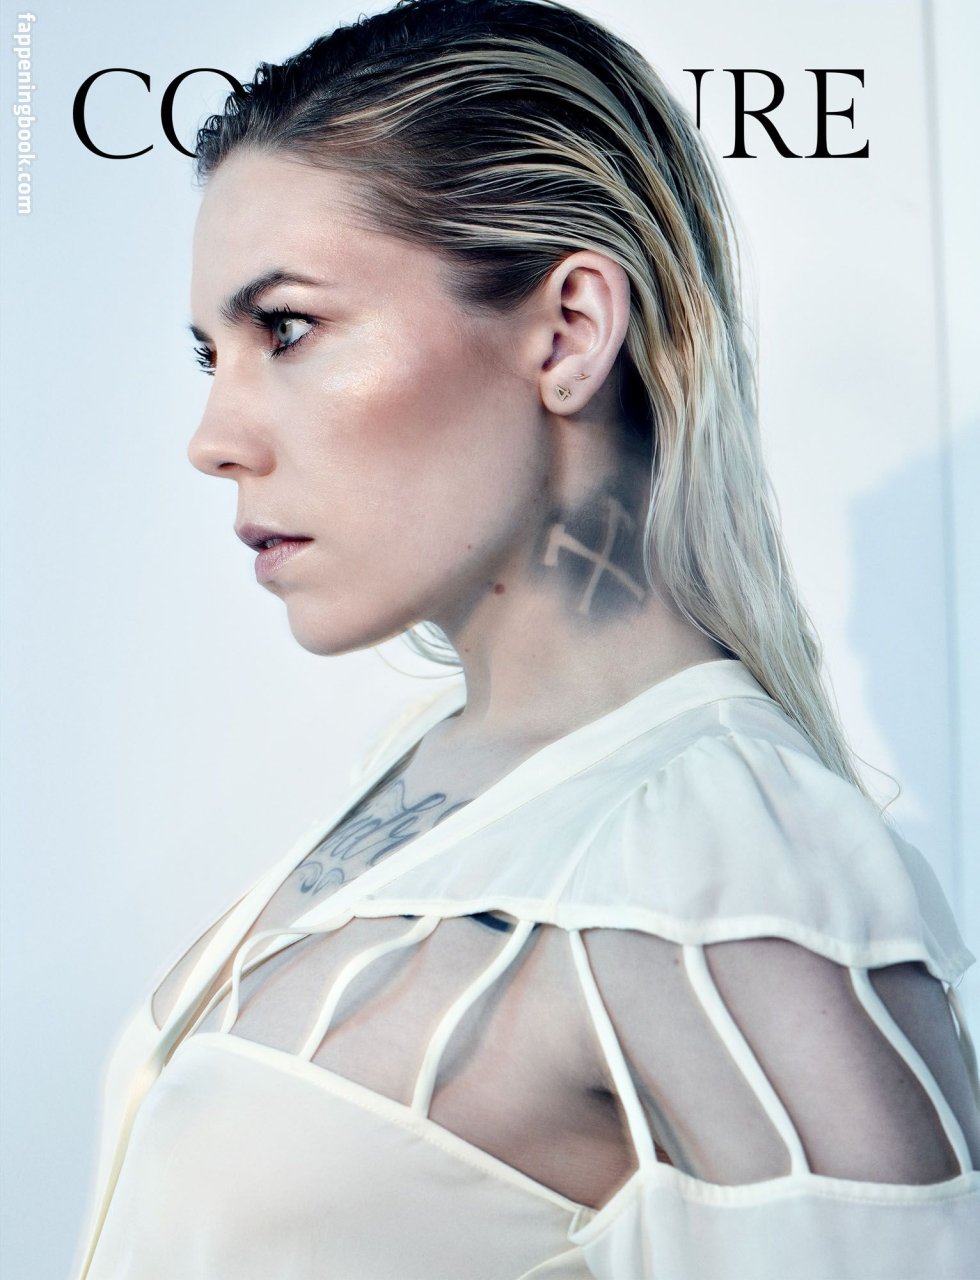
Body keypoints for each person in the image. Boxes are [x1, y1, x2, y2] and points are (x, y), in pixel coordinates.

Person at [73, 1, 980, 1276]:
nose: (213, 437)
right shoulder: (434, 763)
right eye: (208, 354)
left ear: (566, 332)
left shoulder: (723, 868)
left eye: (285, 327)